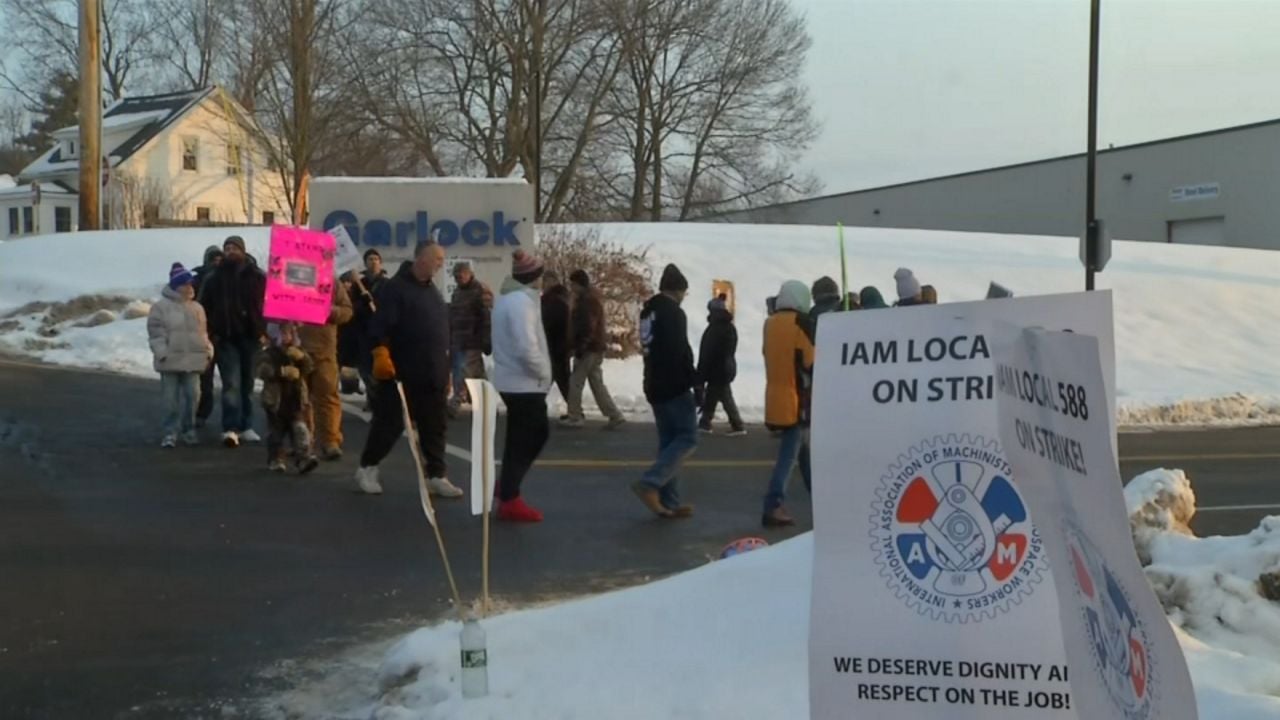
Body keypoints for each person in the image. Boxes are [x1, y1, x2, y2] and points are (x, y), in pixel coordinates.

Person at [352, 241, 464, 498]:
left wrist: (445, 370)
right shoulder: (396, 289)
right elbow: (379, 326)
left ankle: (436, 474)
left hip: (432, 373)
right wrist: (380, 352)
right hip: (402, 374)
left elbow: (440, 332)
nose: (440, 264)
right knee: (389, 424)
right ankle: (368, 467)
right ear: (422, 259)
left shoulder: (432, 292)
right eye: (437, 259)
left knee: (435, 427)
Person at [491, 250, 554, 522]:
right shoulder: (520, 303)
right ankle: (509, 494)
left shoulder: (512, 299)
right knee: (532, 436)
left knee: (520, 438)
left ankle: (506, 487)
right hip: (523, 382)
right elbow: (525, 345)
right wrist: (542, 372)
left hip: (515, 380)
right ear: (534, 277)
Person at [632, 263, 698, 519]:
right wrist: (693, 379)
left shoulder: (649, 311)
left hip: (653, 382)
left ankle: (669, 501)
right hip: (674, 384)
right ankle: (650, 483)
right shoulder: (673, 313)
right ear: (679, 290)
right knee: (688, 437)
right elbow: (679, 349)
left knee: (669, 442)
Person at [198, 235, 267, 448]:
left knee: (247, 384)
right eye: (227, 248)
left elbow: (269, 305)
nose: (230, 251)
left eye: (234, 247)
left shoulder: (258, 277)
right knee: (231, 384)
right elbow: (203, 307)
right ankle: (230, 427)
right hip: (226, 339)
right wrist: (209, 333)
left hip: (252, 338)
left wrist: (265, 330)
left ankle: (246, 425)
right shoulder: (214, 277)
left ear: (243, 251)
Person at [761, 280, 816, 527]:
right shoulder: (802, 324)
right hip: (799, 401)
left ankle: (821, 499)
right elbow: (811, 362)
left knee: (804, 453)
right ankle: (773, 505)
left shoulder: (770, 323)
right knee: (790, 454)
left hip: (775, 396)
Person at [147, 263, 214, 448]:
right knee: (170, 400)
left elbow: (203, 332)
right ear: (176, 285)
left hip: (193, 360)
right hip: (169, 360)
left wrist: (208, 350)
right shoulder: (160, 308)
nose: (189, 286)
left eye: (190, 283)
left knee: (194, 396)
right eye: (185, 283)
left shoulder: (197, 307)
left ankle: (189, 429)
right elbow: (156, 333)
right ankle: (170, 432)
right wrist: (161, 352)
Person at [563, 269, 625, 430]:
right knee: (597, 384)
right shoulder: (591, 299)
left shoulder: (586, 303)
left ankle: (575, 415)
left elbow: (587, 326)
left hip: (588, 348)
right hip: (596, 347)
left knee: (576, 382)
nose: (571, 287)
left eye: (573, 284)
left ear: (579, 284)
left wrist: (580, 346)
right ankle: (614, 414)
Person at [299, 279, 353, 460]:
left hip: (324, 349)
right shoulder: (286, 278)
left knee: (327, 394)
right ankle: (303, 440)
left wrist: (331, 311)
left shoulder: (331, 282)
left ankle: (330, 440)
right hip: (294, 348)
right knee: (298, 398)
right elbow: (271, 307)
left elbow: (347, 311)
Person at [256, 322, 320, 475]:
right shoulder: (270, 353)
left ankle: (303, 457)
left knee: (300, 430)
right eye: (283, 333)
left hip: (295, 398)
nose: (287, 337)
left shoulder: (298, 352)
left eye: (290, 333)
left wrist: (302, 358)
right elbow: (261, 370)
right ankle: (276, 459)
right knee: (276, 433)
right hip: (276, 400)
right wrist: (280, 371)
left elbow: (309, 368)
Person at [696, 295, 745, 436]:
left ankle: (709, 423)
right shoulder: (729, 327)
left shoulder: (713, 329)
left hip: (716, 369)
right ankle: (710, 422)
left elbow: (706, 353)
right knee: (721, 395)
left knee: (717, 395)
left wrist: (701, 374)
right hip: (726, 368)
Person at [448, 260, 492, 413]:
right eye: (456, 274)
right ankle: (486, 400)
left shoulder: (479, 290)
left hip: (473, 339)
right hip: (457, 340)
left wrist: (486, 339)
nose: (459, 276)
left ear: (470, 274)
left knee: (464, 369)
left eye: (462, 273)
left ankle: (457, 400)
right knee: (476, 372)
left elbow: (486, 317)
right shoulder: (457, 293)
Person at [352, 249, 390, 402]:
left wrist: (378, 307)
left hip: (381, 331)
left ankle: (381, 396)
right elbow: (352, 305)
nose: (373, 262)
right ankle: (371, 394)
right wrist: (363, 304)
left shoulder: (387, 284)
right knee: (365, 366)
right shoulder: (359, 284)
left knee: (381, 365)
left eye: (376, 259)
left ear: (380, 263)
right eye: (370, 259)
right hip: (364, 330)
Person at [192, 245, 223, 429]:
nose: (216, 263)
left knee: (230, 381)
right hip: (204, 335)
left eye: (219, 259)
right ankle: (201, 413)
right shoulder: (198, 279)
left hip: (224, 335)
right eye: (213, 260)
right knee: (205, 379)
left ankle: (231, 422)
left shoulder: (227, 278)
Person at [540, 271, 573, 411]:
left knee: (555, 379)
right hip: (560, 346)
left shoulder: (552, 300)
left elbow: (548, 323)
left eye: (545, 281)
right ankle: (574, 409)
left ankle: (575, 410)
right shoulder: (564, 298)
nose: (542, 285)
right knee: (561, 379)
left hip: (554, 345)